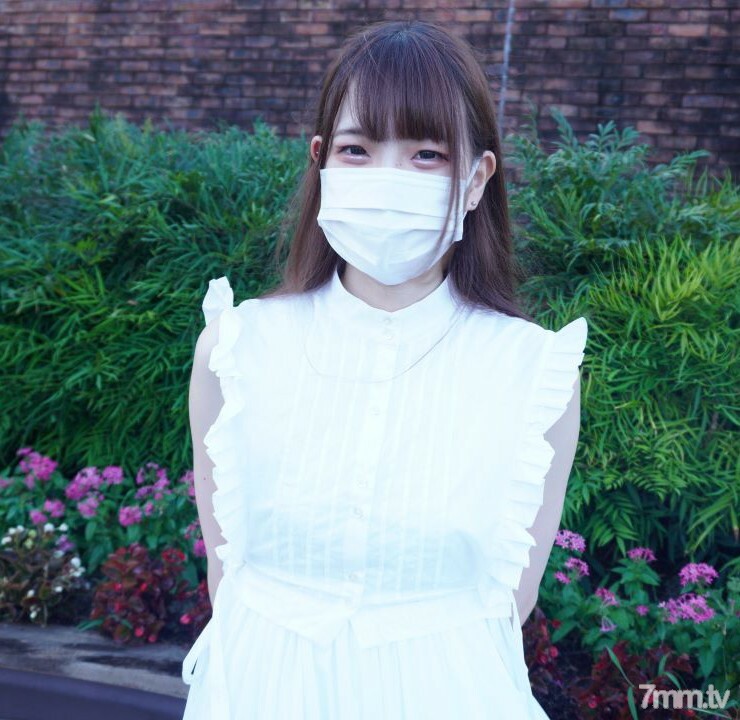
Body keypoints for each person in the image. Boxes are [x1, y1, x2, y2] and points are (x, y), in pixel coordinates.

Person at [181, 18, 587, 720]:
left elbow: (508, 602)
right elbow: (228, 571)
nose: (388, 179)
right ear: (321, 162)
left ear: (477, 178)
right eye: (357, 150)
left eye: (427, 154)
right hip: (258, 692)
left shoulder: (533, 373)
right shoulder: (237, 349)